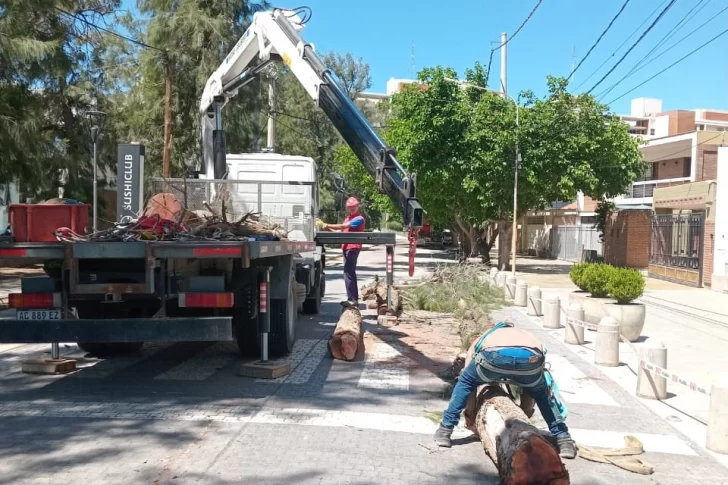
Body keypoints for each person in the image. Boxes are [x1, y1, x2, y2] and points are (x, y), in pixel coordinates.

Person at [434, 321, 577, 459]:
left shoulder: (486, 336)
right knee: (539, 392)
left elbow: (468, 374)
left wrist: (470, 415)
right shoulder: (524, 334)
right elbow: (540, 367)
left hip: (494, 356)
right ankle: (564, 439)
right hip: (530, 359)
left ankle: (445, 430)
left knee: (466, 381)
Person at [322, 197, 365, 307]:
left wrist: (327, 224)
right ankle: (352, 298)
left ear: (357, 206)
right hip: (346, 248)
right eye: (350, 208)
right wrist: (327, 228)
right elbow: (340, 231)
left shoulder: (359, 219)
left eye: (353, 207)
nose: (351, 209)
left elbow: (343, 226)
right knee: (349, 273)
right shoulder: (348, 218)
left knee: (349, 273)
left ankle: (352, 300)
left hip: (352, 248)